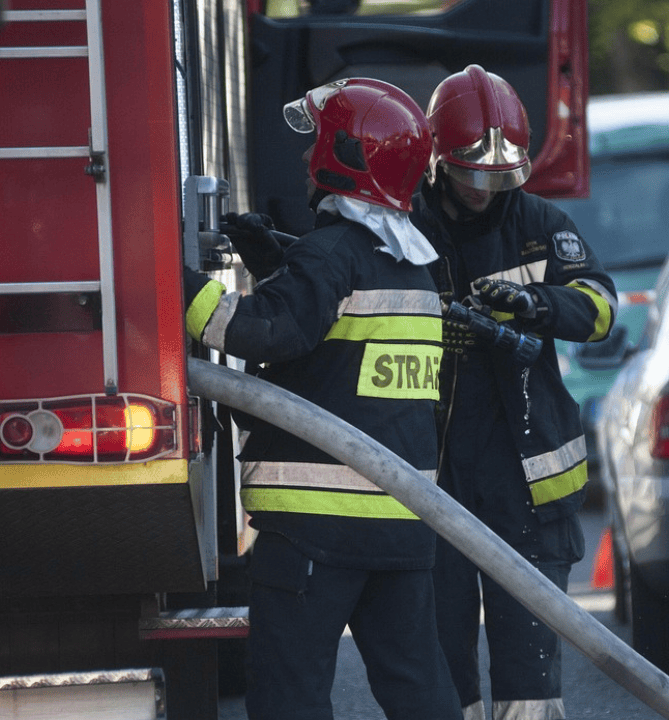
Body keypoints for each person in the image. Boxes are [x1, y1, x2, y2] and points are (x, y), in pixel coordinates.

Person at [183, 77, 461, 720]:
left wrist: (176, 282)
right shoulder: (413, 267)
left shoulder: (332, 254)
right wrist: (276, 263)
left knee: (291, 696)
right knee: (418, 691)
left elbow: (264, 330)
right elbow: (339, 352)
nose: (308, 157)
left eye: (319, 144)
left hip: (315, 527)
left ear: (344, 157)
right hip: (401, 524)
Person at [410, 64, 617, 720]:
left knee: (530, 673)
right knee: (441, 667)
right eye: (471, 173)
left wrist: (536, 304)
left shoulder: (540, 224)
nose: (484, 190)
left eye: (498, 175)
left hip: (526, 484)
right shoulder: (404, 228)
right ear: (439, 160)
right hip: (432, 477)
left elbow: (601, 307)